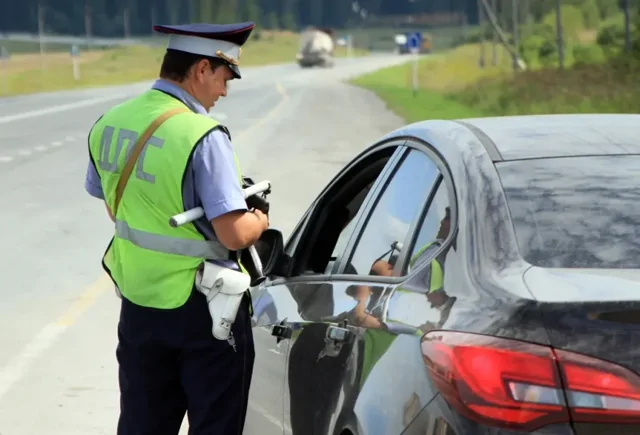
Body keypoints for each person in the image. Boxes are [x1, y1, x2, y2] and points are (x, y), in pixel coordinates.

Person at [83, 21, 269, 435]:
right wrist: (260, 219)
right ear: (202, 69)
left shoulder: (111, 121)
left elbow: (117, 207)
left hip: (139, 304)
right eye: (224, 77)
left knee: (143, 424)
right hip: (204, 309)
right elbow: (233, 235)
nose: (224, 91)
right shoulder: (202, 134)